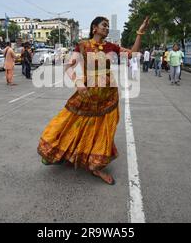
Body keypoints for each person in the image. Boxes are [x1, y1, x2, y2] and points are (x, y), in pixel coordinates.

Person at [37, 16, 150, 185]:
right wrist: (77, 82)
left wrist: (140, 32)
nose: (106, 28)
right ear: (94, 28)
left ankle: (95, 165)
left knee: (104, 130)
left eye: (108, 26)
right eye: (104, 25)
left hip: (108, 96)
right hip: (87, 94)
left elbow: (132, 53)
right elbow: (68, 66)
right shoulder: (82, 45)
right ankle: (60, 152)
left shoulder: (110, 46)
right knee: (72, 123)